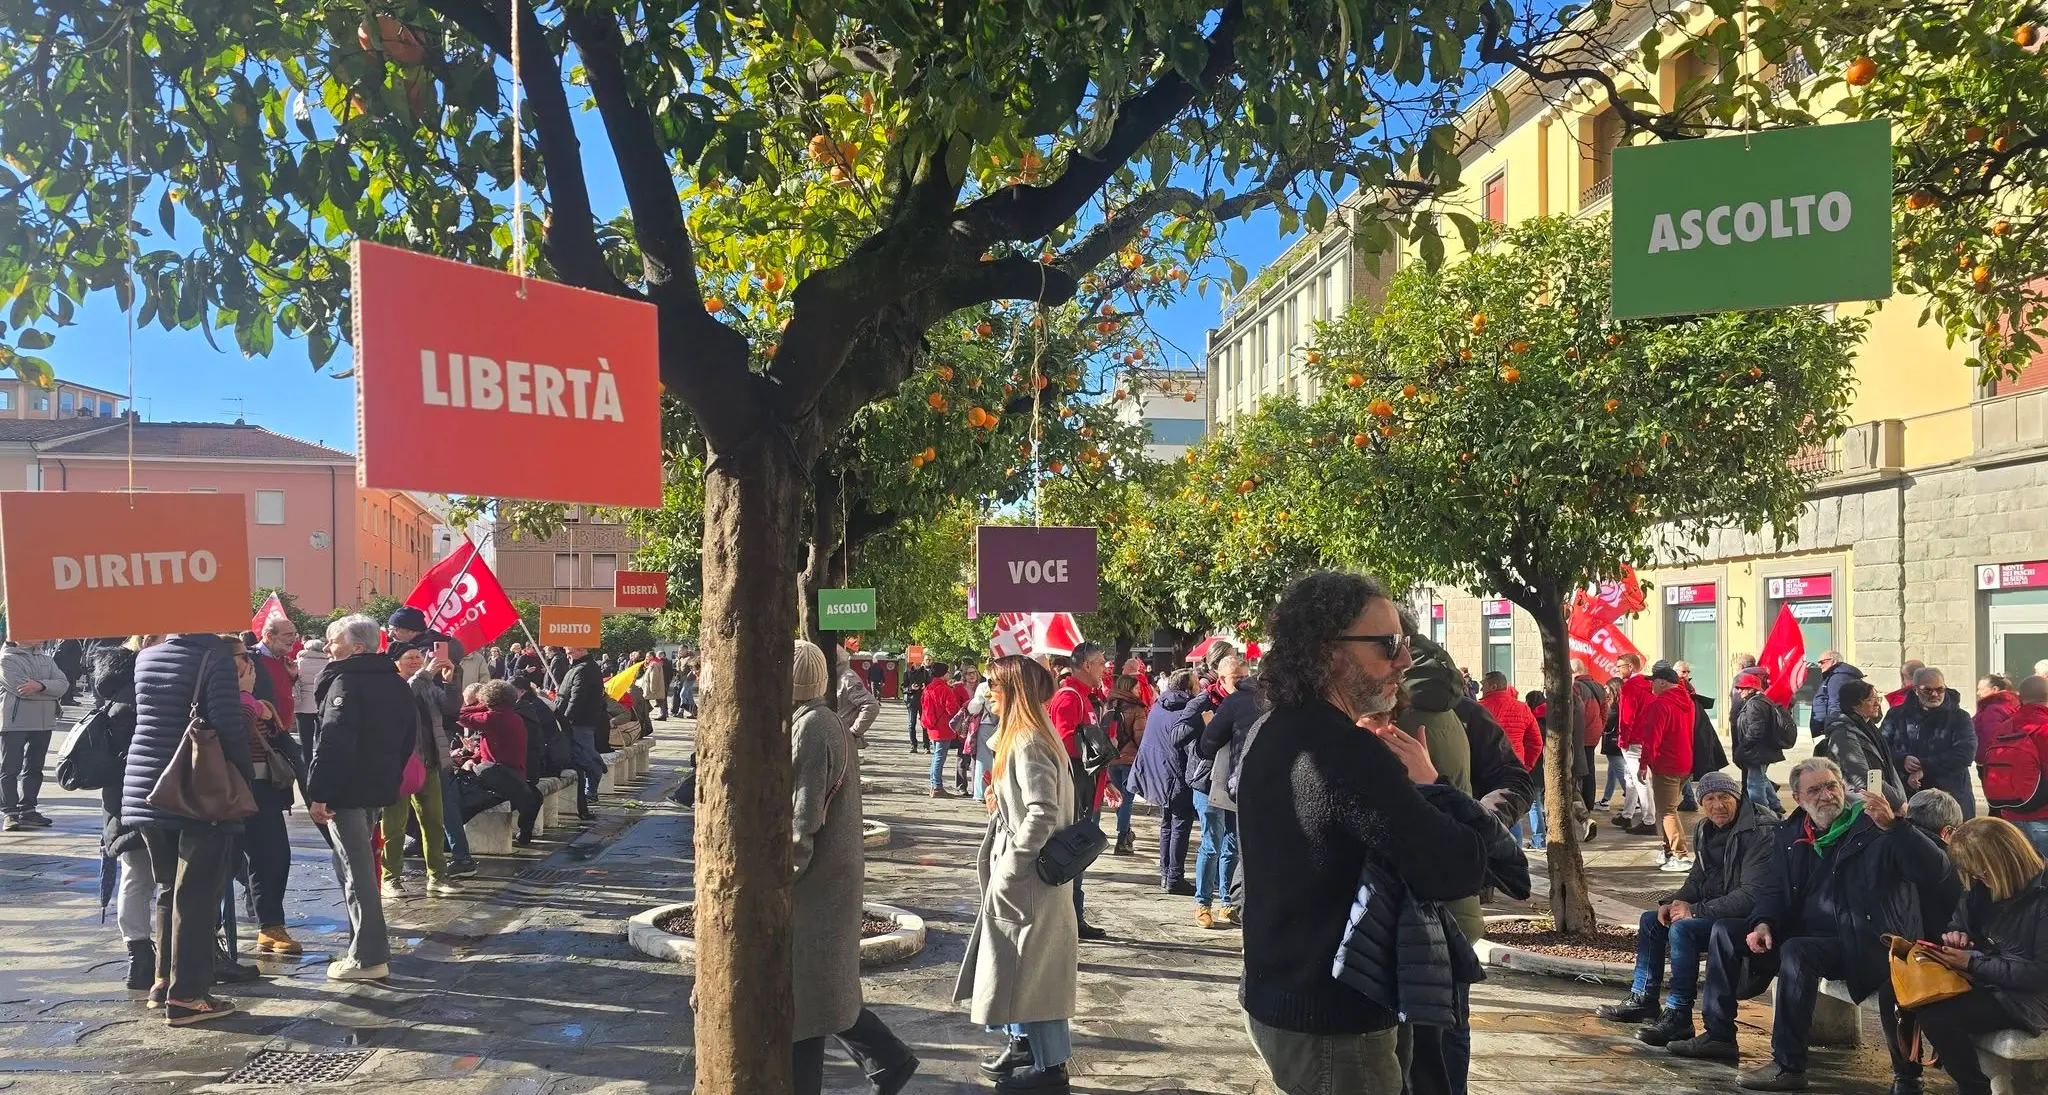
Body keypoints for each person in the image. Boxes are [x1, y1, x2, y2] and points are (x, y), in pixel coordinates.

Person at [1235, 572, 1490, 1094]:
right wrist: (1435, 787)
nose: (1405, 660)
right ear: (1328, 651)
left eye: (1405, 643)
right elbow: (1458, 868)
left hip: (1283, 998)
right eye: (1389, 644)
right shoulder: (1344, 751)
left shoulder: (1274, 726)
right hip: (1336, 1021)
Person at [1670, 758, 1951, 1092]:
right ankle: (1718, 1034)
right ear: (1799, 799)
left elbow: (1937, 871)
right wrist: (1763, 922)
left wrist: (1896, 826)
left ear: (1843, 787)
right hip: (1811, 934)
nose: (1826, 795)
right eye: (1814, 790)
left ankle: (1788, 1065)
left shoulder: (1876, 825)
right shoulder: (1792, 832)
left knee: (1797, 951)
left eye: (1831, 786)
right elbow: (1774, 887)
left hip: (1866, 940)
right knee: (1726, 932)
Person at [955, 655, 1080, 1094]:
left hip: (1029, 879)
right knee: (1022, 967)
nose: (987, 691)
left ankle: (1050, 1069)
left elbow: (1042, 812)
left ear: (1013, 690)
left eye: (993, 684)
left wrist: (1012, 865)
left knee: (1035, 971)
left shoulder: (1028, 740)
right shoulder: (1026, 735)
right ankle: (1024, 1046)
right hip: (1029, 877)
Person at [123, 631, 253, 1024]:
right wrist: (243, 784)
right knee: (197, 896)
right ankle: (188, 996)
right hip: (198, 788)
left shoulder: (148, 654)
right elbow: (228, 727)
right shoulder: (214, 655)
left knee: (169, 889)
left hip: (148, 786)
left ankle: (163, 982)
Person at [1598, 772, 1776, 1047]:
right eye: (1709, 799)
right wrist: (1673, 903)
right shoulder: (1706, 829)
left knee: (1684, 930)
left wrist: (1694, 910)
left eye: (1724, 797)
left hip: (1750, 918)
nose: (1717, 805)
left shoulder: (1760, 831)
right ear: (1701, 804)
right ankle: (1644, 999)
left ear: (1737, 798)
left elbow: (1751, 896)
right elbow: (1696, 879)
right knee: (1651, 921)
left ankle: (1679, 1014)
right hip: (1717, 909)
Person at [1906, 817, 2048, 1095]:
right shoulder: (1979, 887)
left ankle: (1973, 1088)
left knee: (1939, 1016)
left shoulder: (2041, 898)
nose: (1979, 879)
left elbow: (2041, 973)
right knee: (1905, 994)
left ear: (2004, 860)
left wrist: (1972, 962)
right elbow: (1959, 922)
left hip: (2028, 998)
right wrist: (1957, 935)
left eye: (1982, 872)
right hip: (1988, 981)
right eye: (1973, 874)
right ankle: (1909, 1077)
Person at [231, 639, 302, 957]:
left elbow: (280, 739)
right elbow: (232, 732)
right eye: (242, 658)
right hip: (227, 791)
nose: (250, 663)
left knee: (274, 857)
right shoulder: (223, 699)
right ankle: (211, 934)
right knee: (226, 861)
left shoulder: (256, 699)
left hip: (264, 789)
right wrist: (247, 699)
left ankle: (271, 926)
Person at [92, 639, 154, 990]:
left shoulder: (116, 687)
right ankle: (142, 958)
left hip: (122, 798)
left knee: (136, 876)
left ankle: (139, 958)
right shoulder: (136, 694)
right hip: (141, 796)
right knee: (144, 875)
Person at [380, 645, 463, 898]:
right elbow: (403, 698)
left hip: (429, 761)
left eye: (419, 656)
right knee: (394, 826)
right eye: (410, 657)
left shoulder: (427, 684)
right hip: (400, 765)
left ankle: (437, 875)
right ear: (396, 662)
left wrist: (451, 682)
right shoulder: (390, 684)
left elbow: (451, 708)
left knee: (434, 822)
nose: (417, 660)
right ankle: (390, 877)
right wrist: (426, 673)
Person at [1047, 643, 1113, 941]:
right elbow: (1062, 744)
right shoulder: (1069, 697)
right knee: (1074, 854)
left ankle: (1074, 918)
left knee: (1080, 855)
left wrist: (1105, 779)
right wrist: (1096, 748)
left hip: (1087, 788)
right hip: (1076, 791)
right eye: (1101, 662)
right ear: (1086, 665)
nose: (1105, 668)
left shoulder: (1084, 696)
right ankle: (1069, 920)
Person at [1184, 654, 1250, 928]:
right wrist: (1207, 728)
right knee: (1211, 844)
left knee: (1232, 845)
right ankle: (1203, 904)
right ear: (1222, 678)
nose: (1244, 682)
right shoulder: (1203, 701)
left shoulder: (1249, 702)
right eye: (1238, 678)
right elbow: (1181, 735)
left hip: (1234, 783)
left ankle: (1227, 903)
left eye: (1246, 677)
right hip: (1208, 782)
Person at [1131, 669, 1199, 895]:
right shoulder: (1187, 710)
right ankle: (1174, 877)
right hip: (1177, 774)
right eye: (1196, 684)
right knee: (1180, 824)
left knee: (1167, 823)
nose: (1199, 688)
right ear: (1188, 688)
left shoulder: (1159, 705)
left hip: (1158, 774)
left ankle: (1165, 874)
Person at [1884, 666, 1980, 818]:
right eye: (1927, 690)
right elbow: (1882, 747)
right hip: (1908, 797)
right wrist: (1902, 759)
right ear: (1915, 690)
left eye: (1940, 689)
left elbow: (1965, 754)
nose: (1935, 694)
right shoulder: (1896, 715)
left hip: (1951, 798)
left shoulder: (1959, 717)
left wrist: (1924, 766)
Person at [457, 681, 541, 846]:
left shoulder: (492, 718)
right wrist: (473, 759)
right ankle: (524, 834)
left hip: (499, 775)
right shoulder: (515, 717)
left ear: (488, 700)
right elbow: (492, 748)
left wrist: (480, 705)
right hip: (516, 774)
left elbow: (459, 715)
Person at [1, 638, 71, 830]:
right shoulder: (6, 659)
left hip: (43, 722)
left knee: (34, 768)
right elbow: (20, 688)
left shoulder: (46, 659)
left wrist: (40, 685)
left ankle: (28, 809)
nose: (42, 638)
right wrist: (49, 689)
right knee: (10, 769)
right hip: (14, 722)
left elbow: (63, 684)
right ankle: (10, 812)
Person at [1640, 662, 1698, 871]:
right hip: (1685, 762)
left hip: (1667, 764)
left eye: (1653, 681)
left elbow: (1652, 738)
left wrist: (1643, 764)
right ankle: (1668, 851)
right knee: (1667, 808)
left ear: (1663, 682)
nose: (1651, 685)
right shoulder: (1688, 702)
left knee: (1667, 811)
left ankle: (1680, 855)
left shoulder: (1660, 704)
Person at [1983, 674, 2048, 857]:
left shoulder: (2004, 727)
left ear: (2020, 697)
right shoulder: (2045, 727)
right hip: (2043, 817)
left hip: (2010, 814)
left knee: (2021, 869)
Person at [1481, 672, 1544, 849]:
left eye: (1483, 684)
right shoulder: (1522, 708)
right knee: (1511, 811)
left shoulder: (1478, 708)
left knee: (1486, 809)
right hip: (1514, 766)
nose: (1481, 688)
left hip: (1484, 767)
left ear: (1493, 686)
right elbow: (1536, 742)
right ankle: (1515, 851)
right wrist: (1526, 766)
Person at [1730, 667, 1790, 818]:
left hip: (1756, 751)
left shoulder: (1754, 704)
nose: (1739, 691)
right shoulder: (1761, 701)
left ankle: (1761, 813)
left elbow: (1756, 730)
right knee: (1761, 777)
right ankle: (1775, 805)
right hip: (1761, 750)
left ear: (1751, 689)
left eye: (1742, 688)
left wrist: (1743, 746)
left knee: (1754, 783)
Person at [556, 646, 607, 820]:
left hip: (580, 721)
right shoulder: (580, 667)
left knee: (584, 754)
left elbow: (577, 697)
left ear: (581, 650)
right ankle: (591, 784)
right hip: (580, 720)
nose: (568, 656)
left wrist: (567, 718)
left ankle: (592, 789)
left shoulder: (585, 669)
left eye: (570, 653)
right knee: (582, 752)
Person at [1101, 675, 1148, 857]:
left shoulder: (1109, 706)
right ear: (1128, 689)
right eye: (1136, 688)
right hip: (1129, 759)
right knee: (1126, 800)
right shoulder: (1137, 709)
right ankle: (1122, 838)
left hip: (1112, 758)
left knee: (1118, 798)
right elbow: (1140, 736)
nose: (1138, 692)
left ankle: (1126, 832)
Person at [1615, 654, 1658, 835]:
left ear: (1630, 666)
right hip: (1644, 736)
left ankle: (1649, 820)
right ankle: (1627, 814)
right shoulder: (1649, 685)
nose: (1618, 670)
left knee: (1640, 779)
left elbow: (1627, 716)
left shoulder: (1631, 687)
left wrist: (1623, 740)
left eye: (1620, 666)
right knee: (1631, 777)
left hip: (1633, 739)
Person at [920, 661, 964, 797]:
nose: (949, 674)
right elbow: (952, 709)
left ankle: (934, 785)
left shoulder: (928, 688)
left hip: (931, 726)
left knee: (936, 756)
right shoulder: (945, 689)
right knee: (939, 757)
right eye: (948, 672)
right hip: (943, 727)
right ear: (944, 674)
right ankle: (937, 786)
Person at [1808, 651, 1863, 743]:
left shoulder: (1838, 677)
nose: (1819, 665)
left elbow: (1836, 704)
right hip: (1828, 727)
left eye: (1822, 662)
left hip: (1829, 729)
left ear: (1833, 661)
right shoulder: (1832, 676)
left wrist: (1830, 729)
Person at [833, 649, 881, 749]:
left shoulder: (847, 678)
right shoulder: (832, 678)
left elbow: (871, 706)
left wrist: (853, 732)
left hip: (843, 742)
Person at [293, 638, 329, 763]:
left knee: (305, 741)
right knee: (321, 738)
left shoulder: (298, 663)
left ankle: (306, 766)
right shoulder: (329, 663)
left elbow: (294, 682)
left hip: (303, 704)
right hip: (322, 704)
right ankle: (319, 764)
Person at [965, 667, 999, 802]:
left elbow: (975, 707)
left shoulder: (984, 686)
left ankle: (982, 792)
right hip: (1003, 724)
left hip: (986, 724)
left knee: (983, 760)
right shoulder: (1008, 684)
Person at [902, 659, 932, 753]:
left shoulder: (925, 673)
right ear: (913, 663)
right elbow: (903, 687)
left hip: (923, 701)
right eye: (916, 663)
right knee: (911, 724)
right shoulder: (907, 672)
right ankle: (913, 746)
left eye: (920, 662)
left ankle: (926, 746)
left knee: (925, 724)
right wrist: (911, 688)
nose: (918, 664)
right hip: (911, 701)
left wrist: (925, 687)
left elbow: (930, 686)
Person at [637, 649, 669, 721]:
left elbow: (654, 677)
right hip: (655, 686)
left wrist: (653, 688)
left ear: (652, 657)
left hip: (653, 686)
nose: (646, 658)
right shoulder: (653, 663)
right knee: (659, 700)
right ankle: (662, 715)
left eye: (648, 656)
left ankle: (647, 714)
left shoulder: (654, 664)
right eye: (646, 656)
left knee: (646, 700)